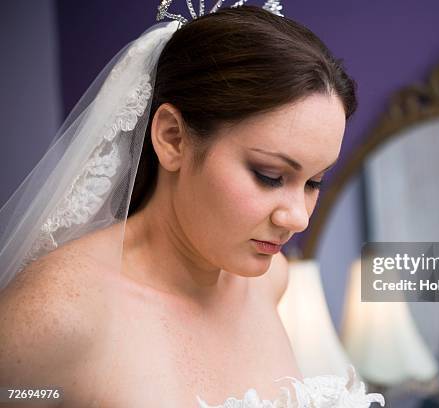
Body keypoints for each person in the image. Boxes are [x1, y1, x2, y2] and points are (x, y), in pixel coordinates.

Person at [0, 3, 385, 407]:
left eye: (313, 182)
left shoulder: (269, 282)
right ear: (172, 138)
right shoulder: (55, 316)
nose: (298, 218)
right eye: (269, 175)